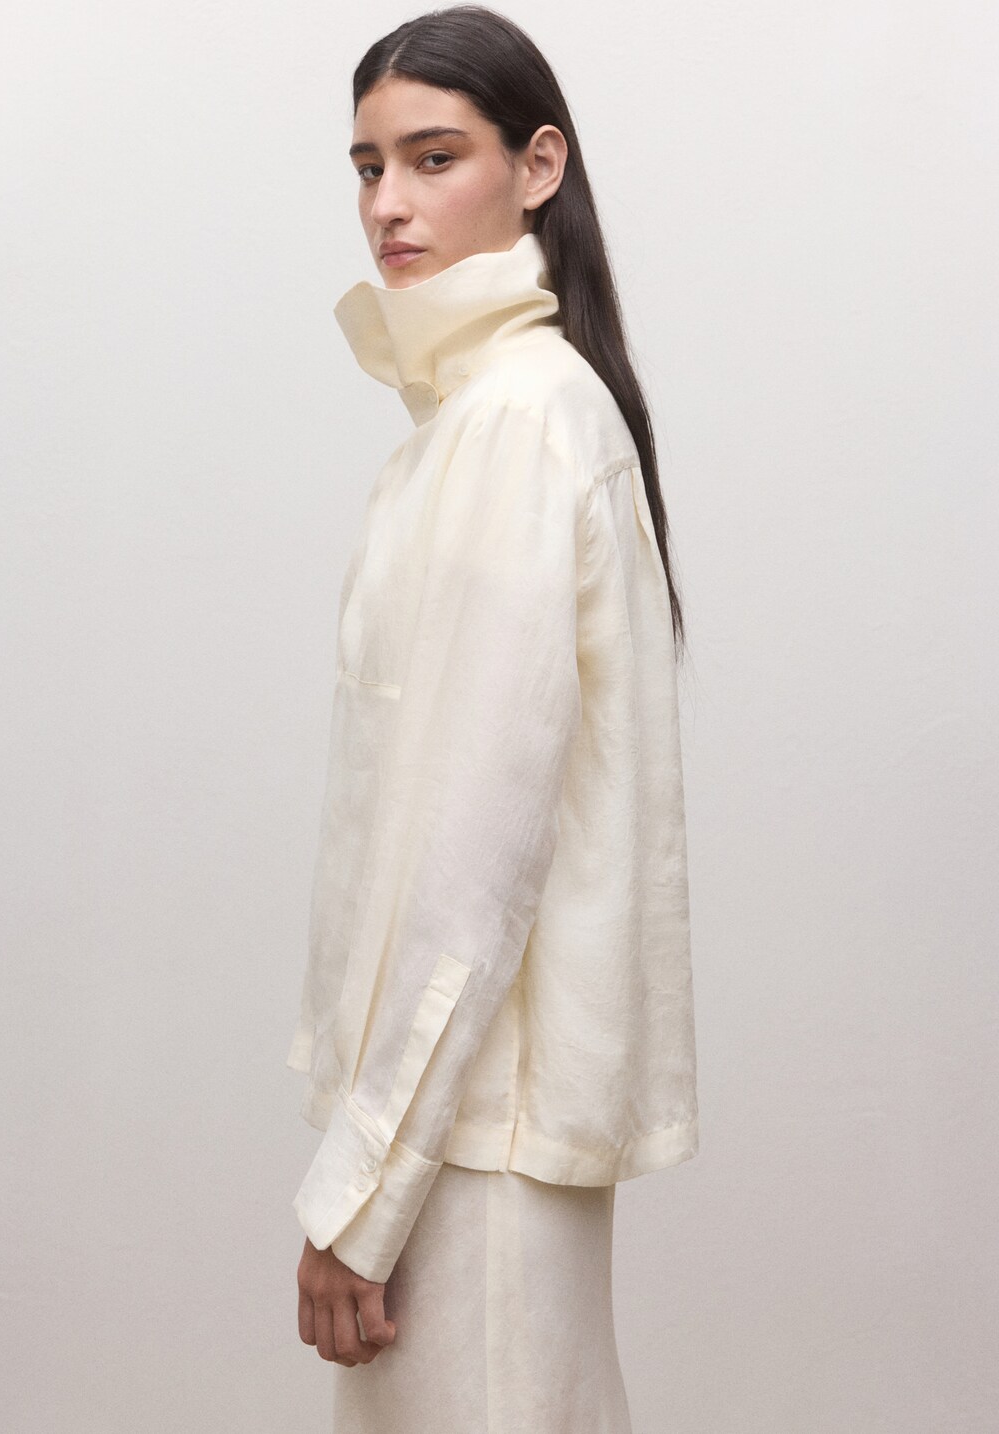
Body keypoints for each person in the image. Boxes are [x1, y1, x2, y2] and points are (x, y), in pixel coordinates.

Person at [286, 7, 700, 1429]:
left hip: (472, 1154)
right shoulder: (491, 419)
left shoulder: (518, 423)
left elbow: (474, 864)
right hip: (469, 1139)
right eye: (367, 166)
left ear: (538, 167)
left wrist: (361, 1191)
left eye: (432, 156)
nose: (387, 204)